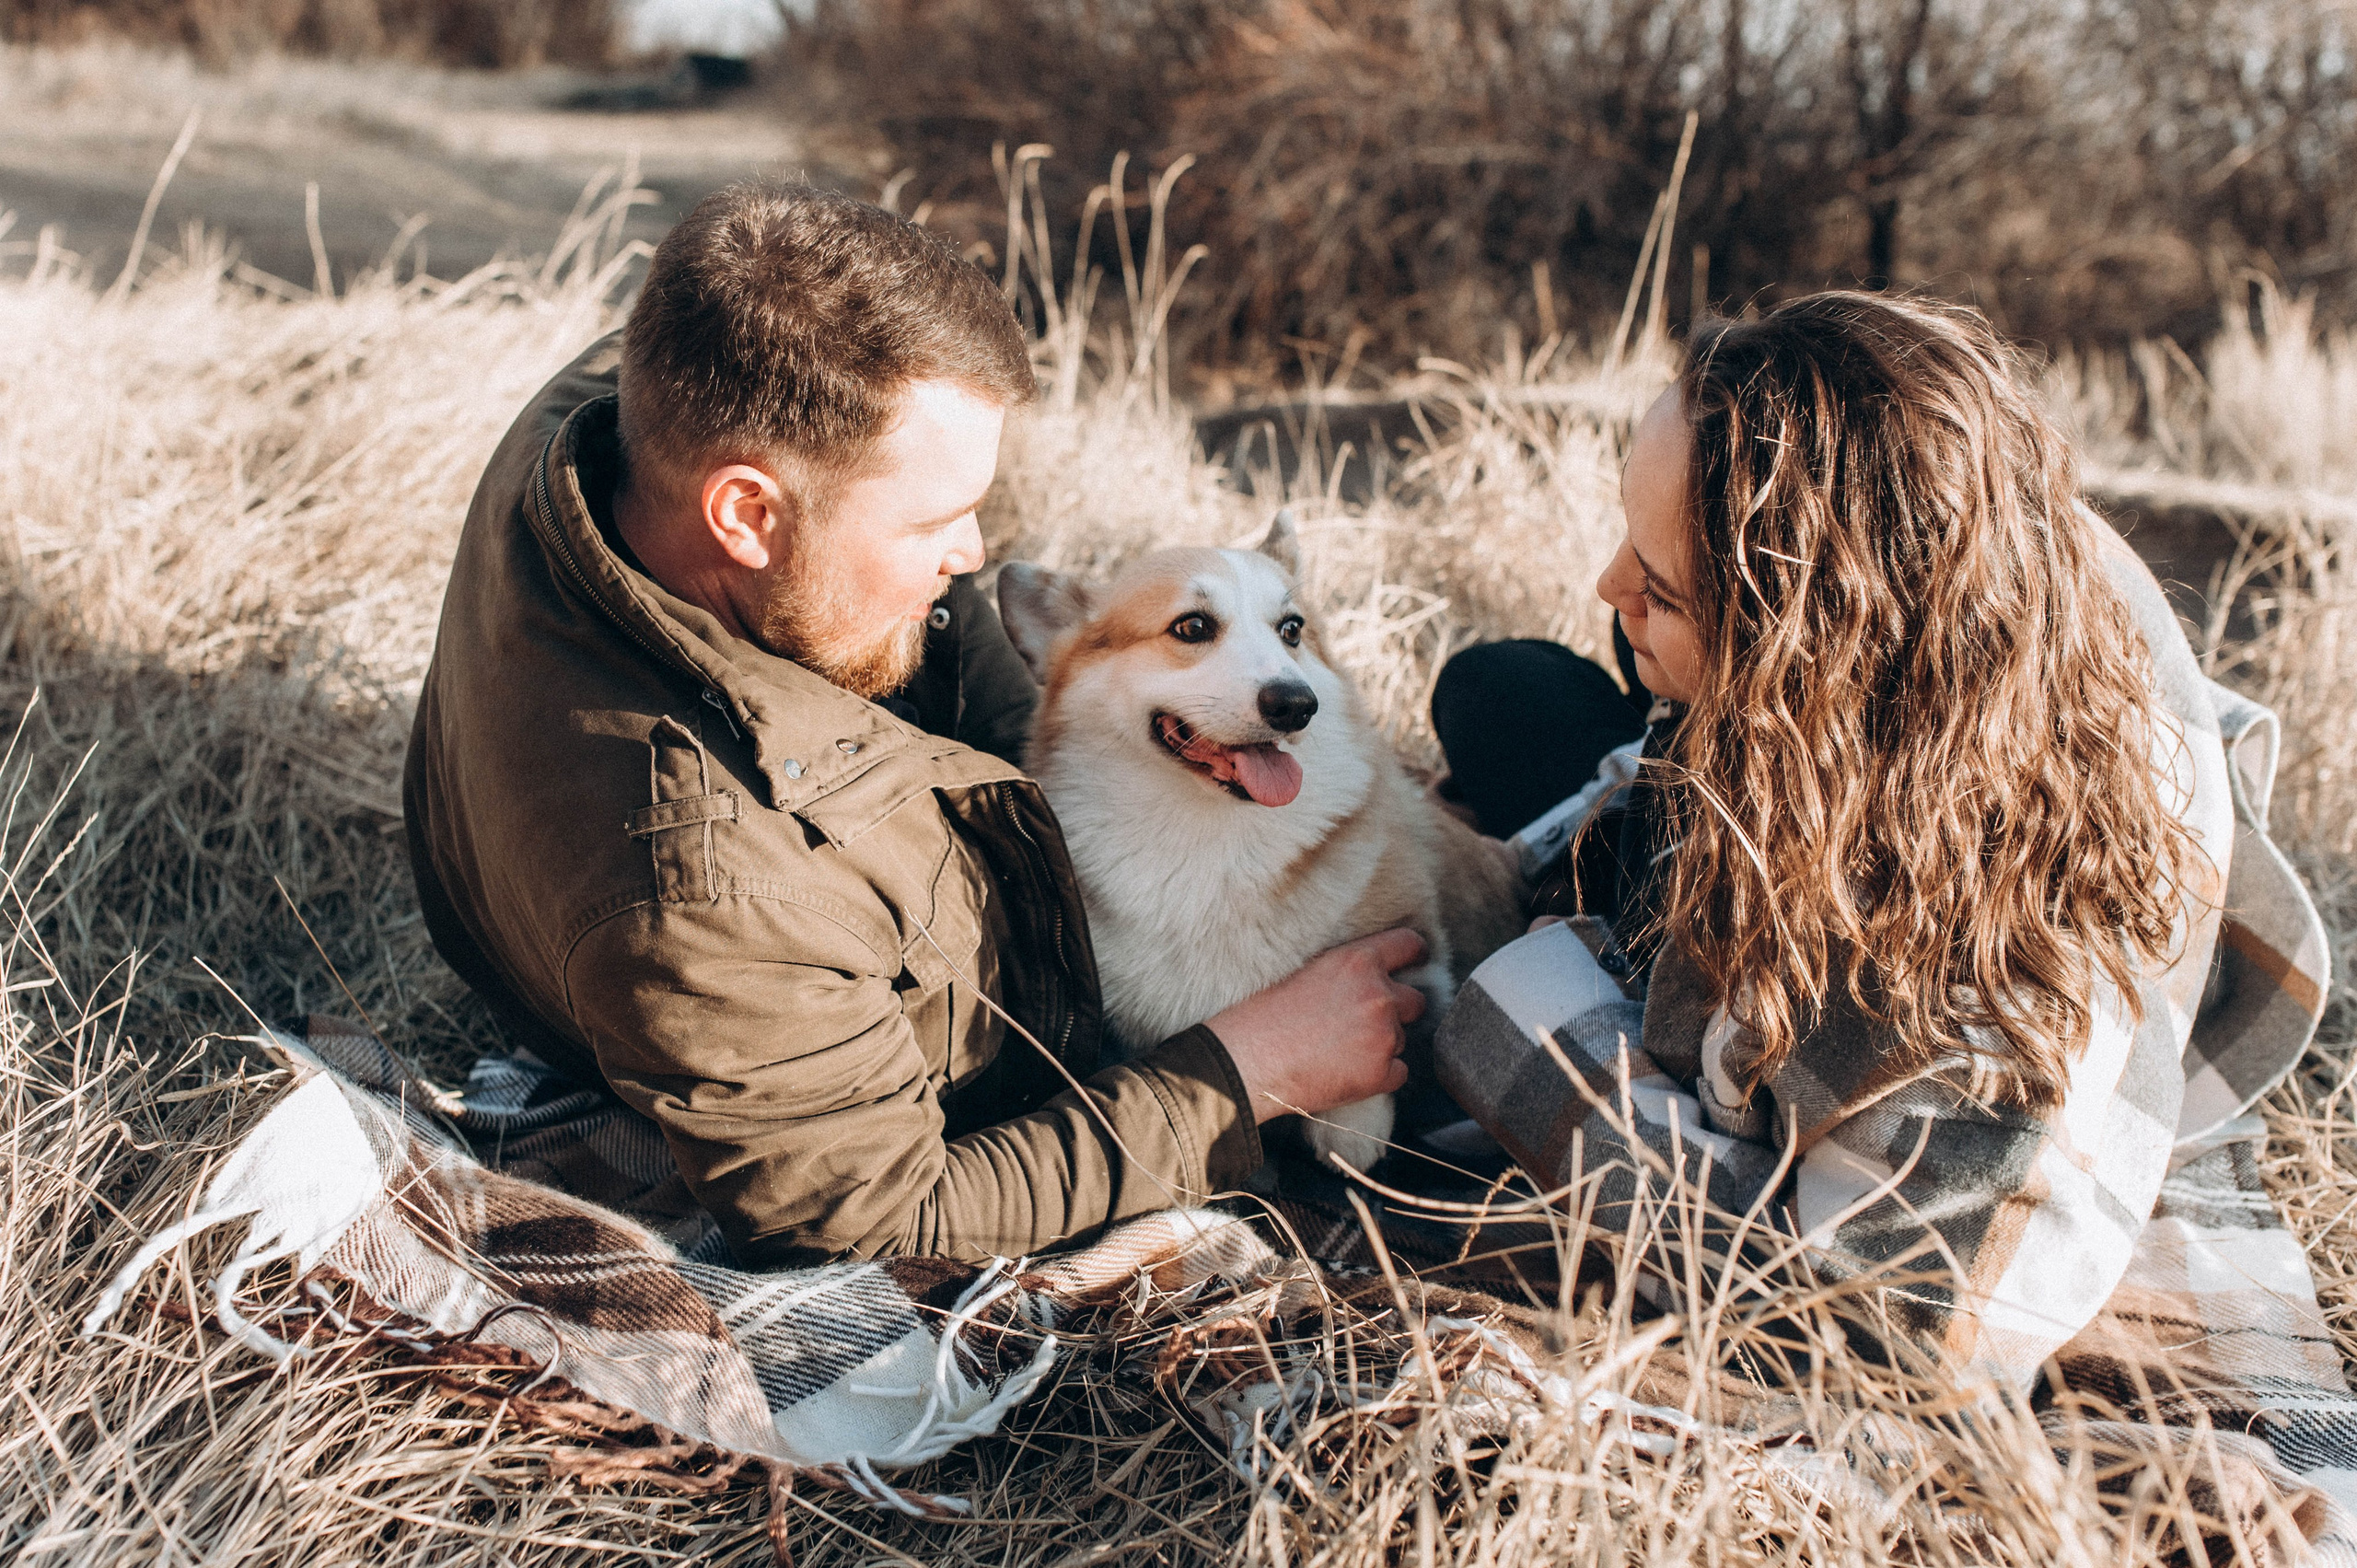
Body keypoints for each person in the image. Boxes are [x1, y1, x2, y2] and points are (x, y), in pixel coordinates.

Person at [402, 180, 1428, 1269]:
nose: (973, 551)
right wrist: (1242, 1071)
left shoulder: (634, 399)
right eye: (933, 519)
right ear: (745, 513)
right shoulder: (714, 893)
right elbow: (877, 1213)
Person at [1434, 290, 2328, 1388]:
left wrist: (1522, 1018)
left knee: (1519, 807)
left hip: (1881, 864)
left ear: (1802, 656)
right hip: (1793, 749)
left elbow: (1879, 1339)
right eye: (1629, 538)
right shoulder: (1932, 556)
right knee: (1496, 690)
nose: (1605, 584)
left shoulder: (1978, 997)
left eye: (1657, 585)